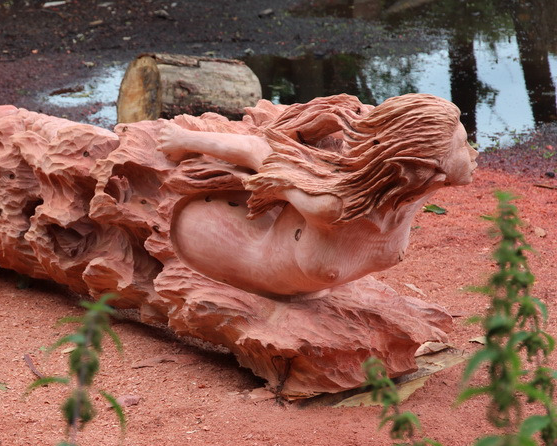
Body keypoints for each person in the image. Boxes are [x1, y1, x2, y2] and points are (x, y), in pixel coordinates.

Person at [157, 93, 478, 296]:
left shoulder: (414, 190)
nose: (473, 152)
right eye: (463, 145)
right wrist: (182, 139)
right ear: (424, 165)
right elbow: (259, 149)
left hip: (302, 286)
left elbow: (381, 131)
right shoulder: (333, 206)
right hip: (214, 239)